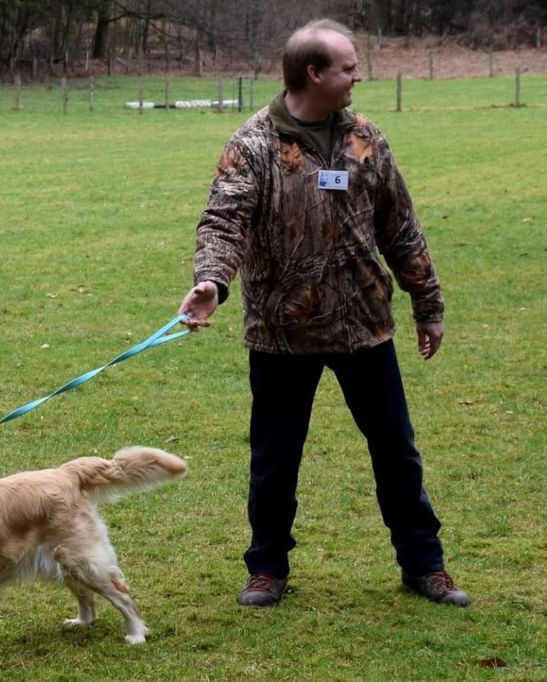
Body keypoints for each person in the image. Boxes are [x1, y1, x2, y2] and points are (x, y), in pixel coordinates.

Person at [178, 18, 469, 608]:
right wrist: (212, 280)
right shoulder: (253, 145)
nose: (358, 76)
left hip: (364, 326)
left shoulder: (366, 138)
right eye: (348, 68)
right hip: (282, 334)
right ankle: (267, 568)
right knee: (275, 461)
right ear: (313, 73)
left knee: (397, 452)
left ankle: (425, 565)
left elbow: (401, 227)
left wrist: (428, 303)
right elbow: (224, 221)